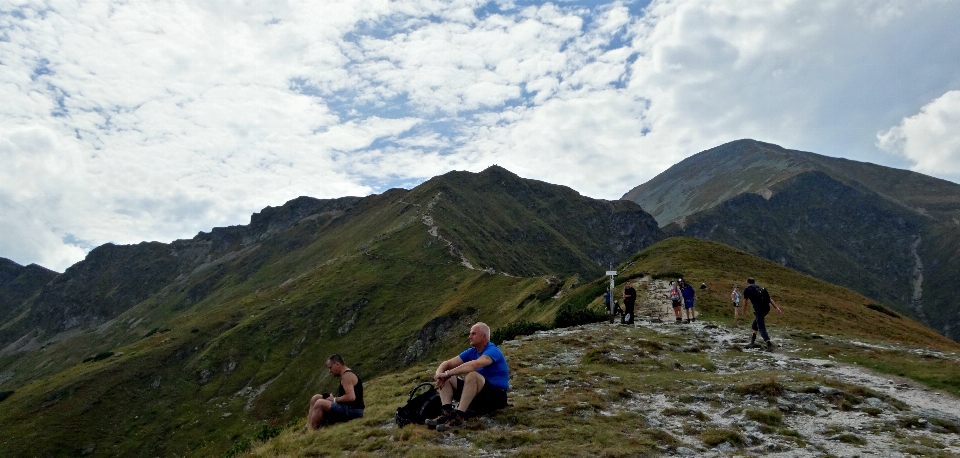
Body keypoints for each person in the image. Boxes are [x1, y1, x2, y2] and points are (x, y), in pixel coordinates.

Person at [426, 322, 509, 432]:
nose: (469, 336)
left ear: (483, 336)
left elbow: (473, 365)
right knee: (447, 376)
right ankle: (447, 412)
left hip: (495, 398)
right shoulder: (472, 351)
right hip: (479, 395)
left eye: (473, 334)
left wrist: (447, 374)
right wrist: (439, 374)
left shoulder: (493, 351)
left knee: (472, 375)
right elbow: (447, 363)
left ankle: (459, 417)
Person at [306, 354, 364, 430]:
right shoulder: (346, 374)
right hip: (349, 407)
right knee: (315, 398)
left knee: (320, 403)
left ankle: (311, 430)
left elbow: (351, 397)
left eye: (330, 367)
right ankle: (308, 427)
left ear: (337, 364)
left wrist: (334, 400)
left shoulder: (347, 376)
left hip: (353, 410)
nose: (329, 371)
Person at [742, 277, 783, 351]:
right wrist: (776, 308)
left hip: (759, 310)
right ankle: (752, 342)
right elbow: (769, 299)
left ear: (747, 282)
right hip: (766, 309)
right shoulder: (761, 288)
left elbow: (745, 302)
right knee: (755, 324)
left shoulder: (747, 289)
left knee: (761, 327)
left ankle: (769, 344)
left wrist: (744, 311)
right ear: (754, 282)